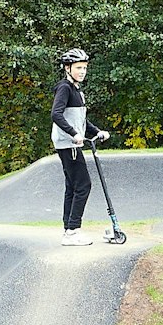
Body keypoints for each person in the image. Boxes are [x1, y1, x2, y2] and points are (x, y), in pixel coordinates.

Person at [51, 48, 110, 246]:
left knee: (73, 187)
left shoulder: (76, 90)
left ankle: (69, 229)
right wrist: (74, 134)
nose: (82, 71)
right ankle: (73, 231)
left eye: (84, 68)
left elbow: (81, 120)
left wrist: (97, 132)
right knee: (84, 185)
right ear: (67, 68)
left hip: (71, 144)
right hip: (69, 145)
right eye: (78, 68)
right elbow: (56, 114)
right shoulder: (65, 88)